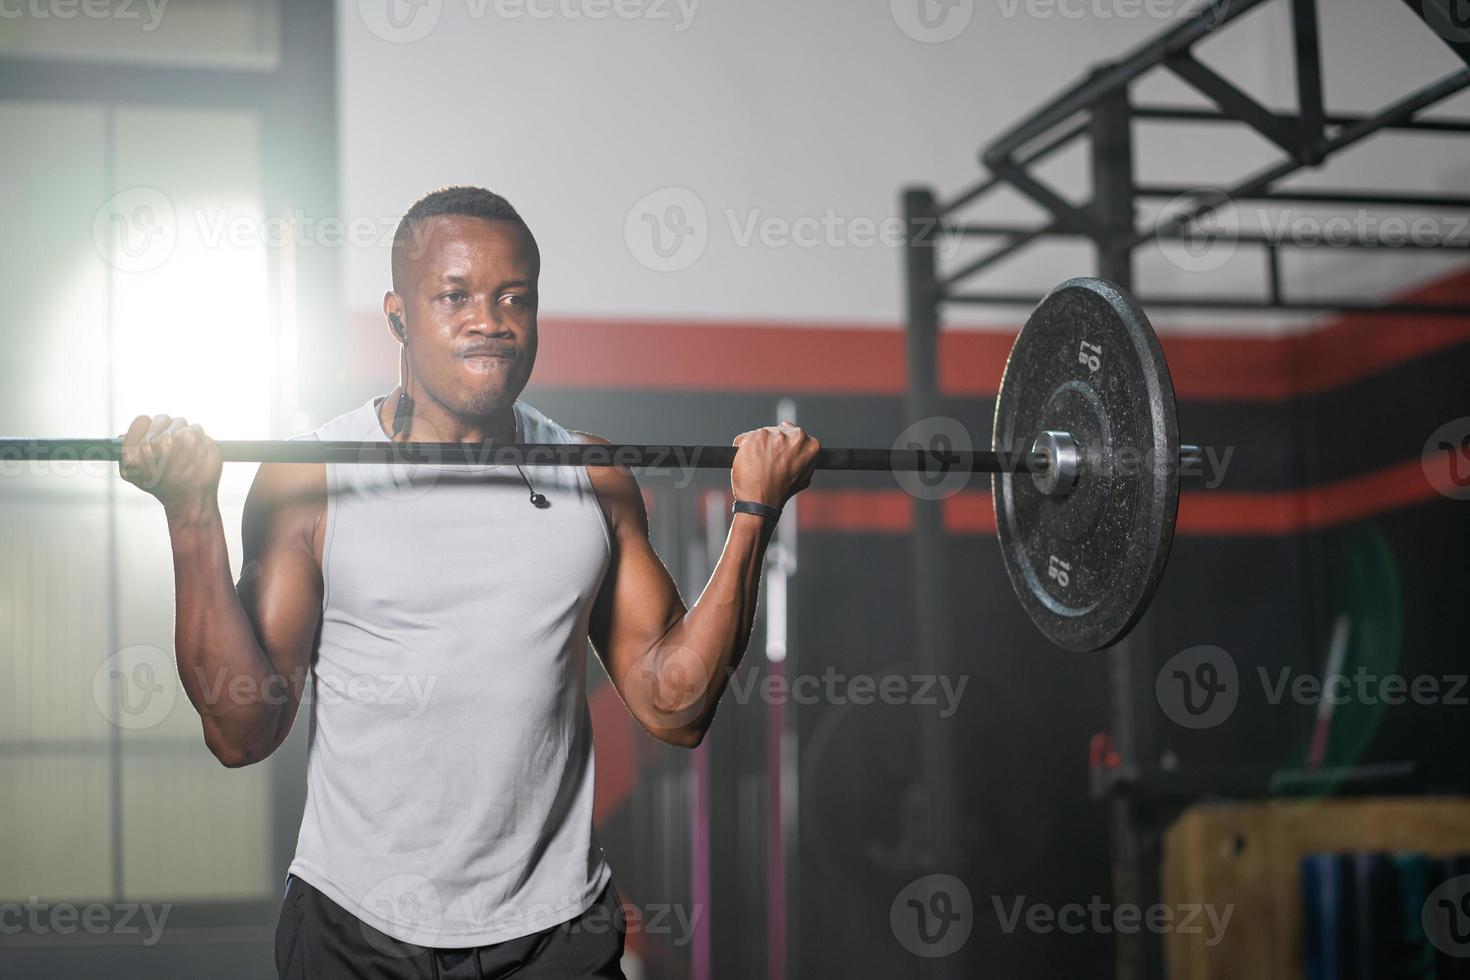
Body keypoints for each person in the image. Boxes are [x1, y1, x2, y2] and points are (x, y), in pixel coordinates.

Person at [118, 186, 820, 978]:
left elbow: (677, 707)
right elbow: (241, 732)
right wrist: (191, 516)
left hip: (553, 933)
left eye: (513, 297)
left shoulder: (590, 474)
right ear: (397, 317)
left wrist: (755, 514)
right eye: (454, 296)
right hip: (357, 928)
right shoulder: (309, 476)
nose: (489, 319)